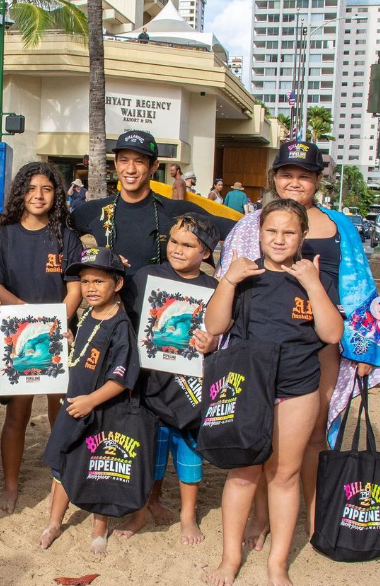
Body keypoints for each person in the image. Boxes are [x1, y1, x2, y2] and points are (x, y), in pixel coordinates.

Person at [216, 140, 380, 551]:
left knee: (314, 436)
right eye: (287, 174)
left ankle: (315, 517)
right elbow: (230, 282)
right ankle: (261, 517)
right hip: (262, 347)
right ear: (275, 178)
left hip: (325, 343)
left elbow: (359, 288)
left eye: (305, 175)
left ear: (317, 181)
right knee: (262, 436)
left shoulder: (340, 226)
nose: (295, 182)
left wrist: (365, 349)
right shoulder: (251, 225)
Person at [204, 198, 344, 586]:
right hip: (248, 384)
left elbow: (332, 334)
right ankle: (231, 557)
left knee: (285, 474)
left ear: (302, 237)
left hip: (298, 385)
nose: (279, 239)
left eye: (288, 232)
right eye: (271, 231)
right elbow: (215, 325)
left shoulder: (315, 277)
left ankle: (277, 563)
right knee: (244, 470)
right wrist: (228, 280)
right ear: (259, 232)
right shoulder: (244, 274)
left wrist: (313, 285)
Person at [0, 162, 83, 514]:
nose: (39, 195)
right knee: (18, 415)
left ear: (57, 195)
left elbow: (75, 289)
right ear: (20, 194)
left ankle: (61, 479)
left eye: (47, 189)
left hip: (58, 334)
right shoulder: (4, 236)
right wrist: (28, 315)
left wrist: (55, 322)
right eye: (31, 188)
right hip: (18, 336)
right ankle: (11, 485)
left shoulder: (65, 237)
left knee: (62, 411)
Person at [72, 129, 235, 331]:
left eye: (139, 161)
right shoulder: (92, 211)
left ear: (154, 166)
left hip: (158, 325)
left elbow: (237, 230)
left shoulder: (176, 212)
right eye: (124, 160)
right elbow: (58, 241)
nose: (130, 169)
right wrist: (96, 259)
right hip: (109, 324)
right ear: (115, 164)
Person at [122, 213, 220, 546]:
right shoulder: (145, 277)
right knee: (151, 452)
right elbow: (124, 320)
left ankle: (188, 516)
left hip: (190, 391)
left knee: (189, 456)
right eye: (174, 242)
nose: (178, 250)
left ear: (205, 252)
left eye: (188, 245)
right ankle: (146, 505)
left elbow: (223, 334)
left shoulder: (214, 288)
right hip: (149, 386)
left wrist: (214, 342)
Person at [39, 247, 139, 555]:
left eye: (98, 281)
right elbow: (84, 355)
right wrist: (70, 342)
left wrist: (91, 402)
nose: (90, 288)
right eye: (84, 282)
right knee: (62, 464)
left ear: (117, 284)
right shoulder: (88, 316)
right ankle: (55, 522)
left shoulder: (120, 325)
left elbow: (122, 378)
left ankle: (99, 528)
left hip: (99, 411)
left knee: (96, 469)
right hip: (73, 407)